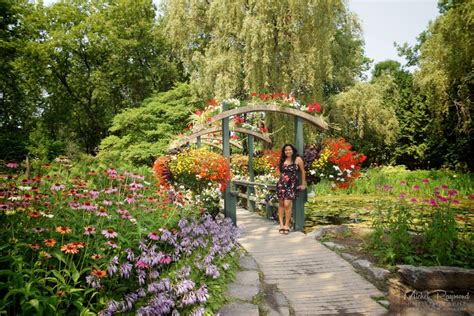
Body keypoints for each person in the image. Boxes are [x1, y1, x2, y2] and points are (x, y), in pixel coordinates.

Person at [276, 144, 306, 235]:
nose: (288, 151)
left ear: (292, 150)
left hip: (292, 185)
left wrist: (303, 184)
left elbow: (303, 171)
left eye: (289, 150)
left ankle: (287, 225)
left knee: (287, 204)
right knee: (281, 204)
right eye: (286, 150)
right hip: (282, 184)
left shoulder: (298, 159)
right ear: (284, 152)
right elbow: (281, 173)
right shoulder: (282, 160)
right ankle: (281, 225)